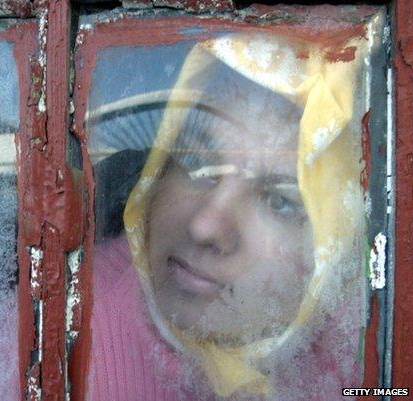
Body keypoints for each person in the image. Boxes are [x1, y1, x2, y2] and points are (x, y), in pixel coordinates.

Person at [87, 32, 369, 401]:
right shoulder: (54, 343)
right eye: (196, 161)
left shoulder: (371, 342)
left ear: (335, 241)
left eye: (280, 201)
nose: (205, 226)